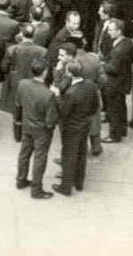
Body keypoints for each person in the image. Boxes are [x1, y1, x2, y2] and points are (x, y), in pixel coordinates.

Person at [53, 58, 100, 196]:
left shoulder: (70, 93)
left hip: (72, 127)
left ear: (69, 73)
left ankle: (65, 187)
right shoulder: (91, 85)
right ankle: (79, 183)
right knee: (81, 154)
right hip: (85, 123)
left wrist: (57, 97)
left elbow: (63, 112)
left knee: (68, 156)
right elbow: (95, 106)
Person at [13, 57, 58, 200]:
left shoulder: (22, 84)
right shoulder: (48, 94)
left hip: (27, 125)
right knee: (40, 158)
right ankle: (36, 189)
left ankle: (21, 180)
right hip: (42, 130)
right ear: (45, 72)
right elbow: (51, 120)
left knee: (24, 153)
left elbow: (18, 104)